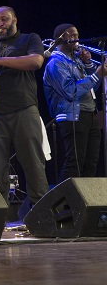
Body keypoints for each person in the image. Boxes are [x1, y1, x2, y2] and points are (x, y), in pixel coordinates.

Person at [0, 6, 48, 215]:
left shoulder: (29, 39)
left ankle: (40, 215)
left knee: (33, 163)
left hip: (24, 109)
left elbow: (36, 61)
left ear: (15, 20)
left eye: (4, 19)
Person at [43, 23, 107, 182]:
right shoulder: (56, 63)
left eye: (77, 35)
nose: (77, 39)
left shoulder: (76, 60)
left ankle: (85, 198)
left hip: (89, 113)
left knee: (91, 163)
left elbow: (91, 88)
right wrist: (97, 74)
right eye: (72, 36)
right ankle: (64, 198)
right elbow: (71, 92)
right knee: (75, 163)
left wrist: (89, 65)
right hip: (72, 115)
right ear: (61, 38)